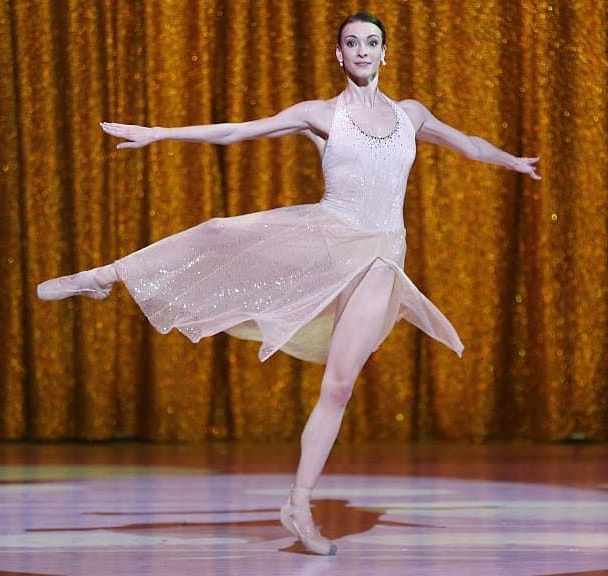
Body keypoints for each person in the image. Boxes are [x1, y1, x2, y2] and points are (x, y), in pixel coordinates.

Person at [37, 12, 540, 556]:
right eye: (353, 43)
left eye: (372, 42)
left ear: (385, 52)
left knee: (340, 386)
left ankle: (298, 503)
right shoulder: (321, 115)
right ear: (339, 54)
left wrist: (513, 161)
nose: (363, 51)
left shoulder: (410, 115)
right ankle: (107, 277)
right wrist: (159, 134)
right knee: (219, 232)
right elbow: (237, 132)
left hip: (382, 257)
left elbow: (467, 142)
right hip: (327, 234)